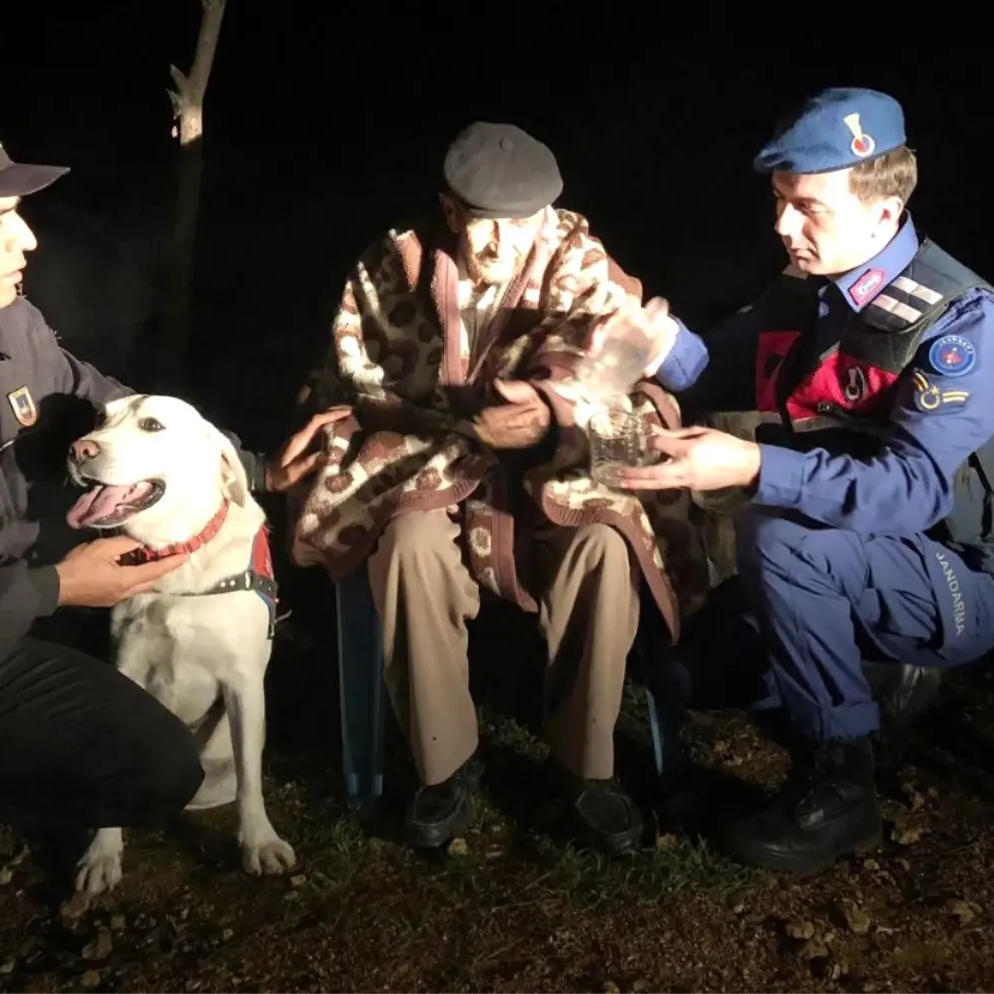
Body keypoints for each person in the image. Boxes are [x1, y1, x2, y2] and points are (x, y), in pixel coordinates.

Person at [0, 107, 346, 991]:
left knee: (156, 771)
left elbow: (102, 402)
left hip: (1, 639)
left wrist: (247, 464)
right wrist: (56, 588)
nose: (26, 237)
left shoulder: (9, 322)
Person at [608, 87, 994, 873]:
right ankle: (873, 678)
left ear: (884, 212)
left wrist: (755, 466)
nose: (782, 227)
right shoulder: (806, 290)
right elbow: (711, 366)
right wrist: (650, 342)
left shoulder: (964, 324)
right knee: (687, 670)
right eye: (779, 202)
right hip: (848, 546)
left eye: (806, 208)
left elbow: (914, 490)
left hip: (957, 573)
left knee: (780, 535)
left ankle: (842, 783)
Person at [286, 121, 708, 855]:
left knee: (604, 543)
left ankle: (588, 767)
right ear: (449, 211)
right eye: (485, 228)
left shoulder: (577, 255)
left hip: (555, 461)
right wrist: (459, 426)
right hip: (426, 452)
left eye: (524, 227)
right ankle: (445, 764)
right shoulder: (391, 267)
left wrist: (550, 409)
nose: (505, 247)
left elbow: (626, 359)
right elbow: (356, 373)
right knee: (407, 542)